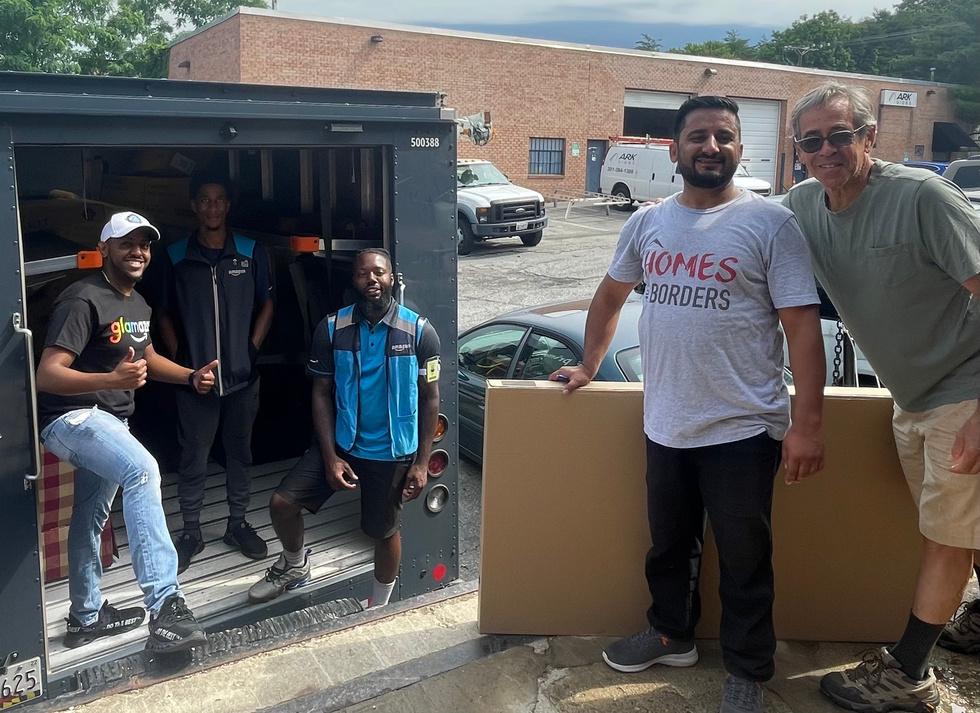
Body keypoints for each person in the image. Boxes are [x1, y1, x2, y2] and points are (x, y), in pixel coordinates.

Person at [551, 96, 826, 713]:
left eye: (724, 136)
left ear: (739, 149)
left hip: (743, 428)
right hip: (665, 421)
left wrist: (807, 426)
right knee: (668, 546)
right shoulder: (647, 223)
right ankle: (670, 634)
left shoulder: (771, 224)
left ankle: (748, 671)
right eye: (698, 136)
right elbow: (610, 295)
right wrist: (590, 364)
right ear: (674, 149)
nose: (711, 146)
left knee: (746, 559)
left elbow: (803, 329)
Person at [783, 82, 980, 712]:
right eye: (812, 141)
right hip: (911, 396)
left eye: (840, 135)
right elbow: (747, 236)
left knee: (946, 538)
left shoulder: (922, 197)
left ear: (870, 136)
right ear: (798, 151)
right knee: (960, 525)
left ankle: (909, 672)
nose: (826, 150)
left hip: (967, 389)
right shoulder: (804, 205)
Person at [36, 211, 216, 652]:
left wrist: (190, 376)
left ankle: (85, 617)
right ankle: (165, 605)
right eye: (127, 244)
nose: (138, 252)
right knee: (142, 470)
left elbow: (147, 357)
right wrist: (111, 380)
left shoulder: (139, 304)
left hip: (110, 421)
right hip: (73, 418)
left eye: (144, 245)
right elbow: (47, 375)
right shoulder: (82, 299)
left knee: (90, 517)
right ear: (104, 249)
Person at [248, 248, 441, 608]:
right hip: (344, 445)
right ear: (353, 280)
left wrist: (421, 463)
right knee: (282, 503)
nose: (371, 279)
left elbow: (431, 399)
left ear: (392, 278)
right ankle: (294, 564)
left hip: (392, 452)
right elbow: (321, 393)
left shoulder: (419, 332)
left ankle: (379, 607)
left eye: (379, 272)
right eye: (363, 273)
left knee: (383, 532)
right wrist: (330, 457)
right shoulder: (332, 328)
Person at [156, 175, 275, 573]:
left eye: (219, 200)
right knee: (194, 457)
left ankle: (237, 524)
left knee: (240, 454)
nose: (212, 207)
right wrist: (181, 360)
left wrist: (251, 351)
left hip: (242, 380)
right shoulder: (175, 255)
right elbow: (163, 311)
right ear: (194, 205)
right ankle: (191, 532)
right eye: (204, 200)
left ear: (228, 206)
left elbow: (268, 304)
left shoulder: (251, 252)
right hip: (196, 383)